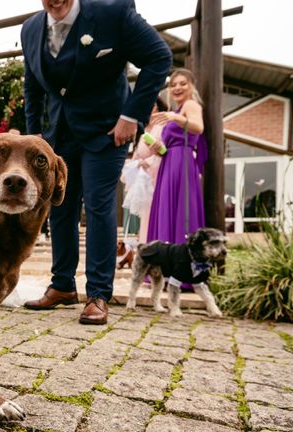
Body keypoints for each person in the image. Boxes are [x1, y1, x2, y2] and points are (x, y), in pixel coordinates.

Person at [21, 0, 172, 325]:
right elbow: (32, 86)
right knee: (59, 206)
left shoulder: (112, 13)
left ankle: (98, 294)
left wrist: (131, 116)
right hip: (59, 136)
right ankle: (62, 286)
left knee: (99, 205)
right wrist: (34, 139)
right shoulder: (30, 28)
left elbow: (159, 58)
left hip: (107, 132)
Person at [146, 68, 207, 277]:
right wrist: (158, 148)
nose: (177, 87)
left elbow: (198, 127)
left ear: (191, 86)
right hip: (169, 161)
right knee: (167, 211)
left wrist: (175, 117)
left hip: (183, 163)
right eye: (173, 84)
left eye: (182, 83)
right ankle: (167, 269)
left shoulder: (189, 105)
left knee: (182, 211)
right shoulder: (178, 108)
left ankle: (184, 272)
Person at [122, 97, 168, 243]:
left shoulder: (163, 126)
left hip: (157, 177)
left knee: (157, 216)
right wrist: (136, 163)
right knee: (145, 218)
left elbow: (166, 151)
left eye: (152, 105)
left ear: (158, 107)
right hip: (144, 180)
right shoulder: (143, 130)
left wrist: (148, 161)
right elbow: (136, 155)